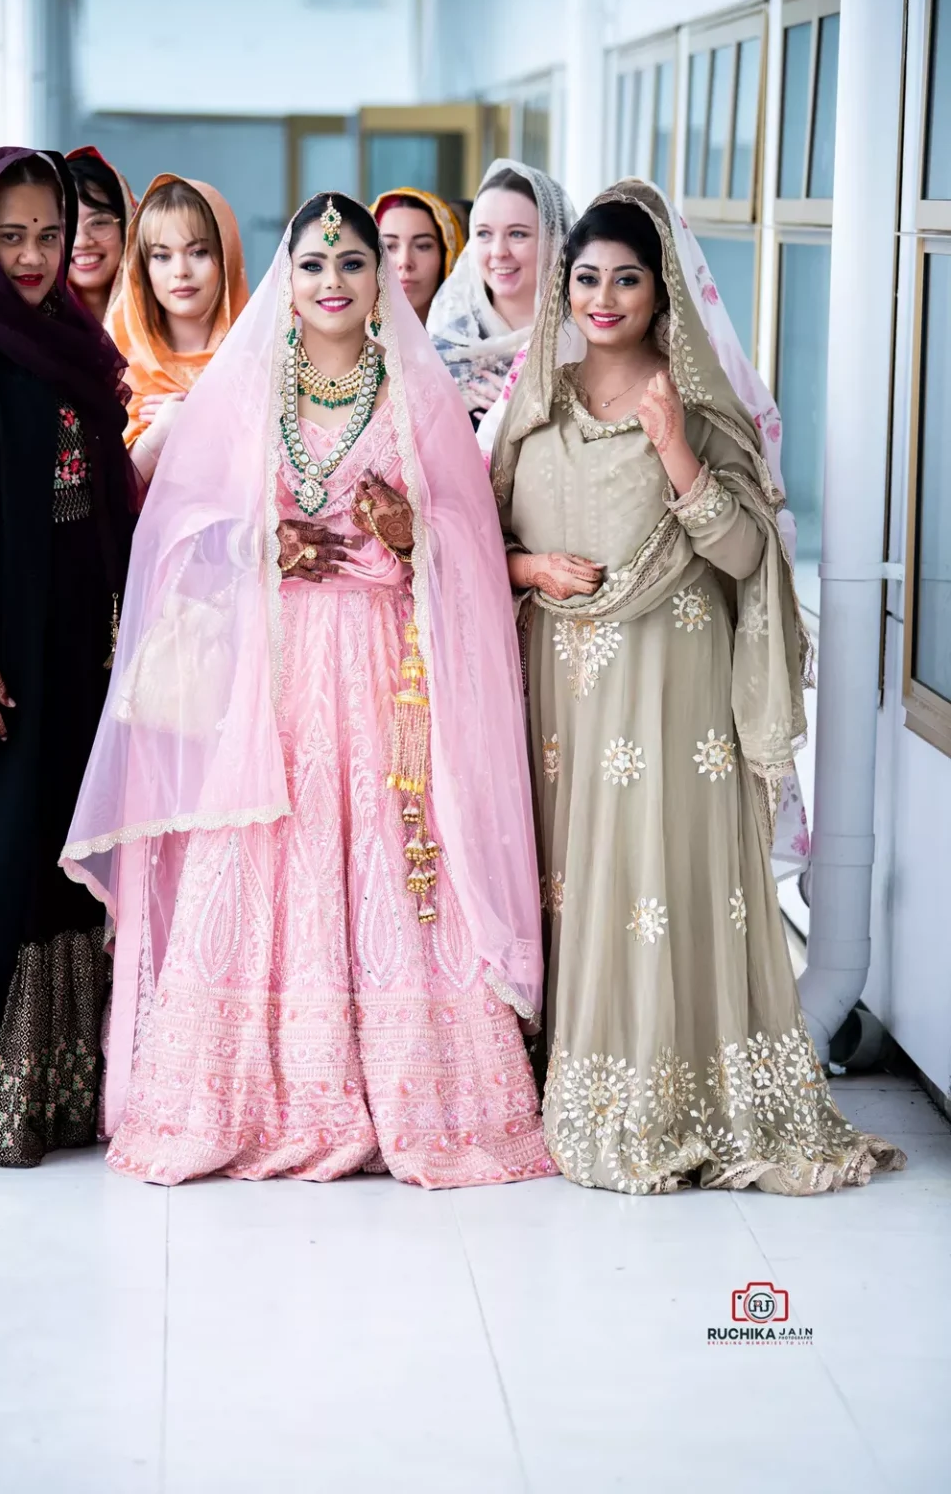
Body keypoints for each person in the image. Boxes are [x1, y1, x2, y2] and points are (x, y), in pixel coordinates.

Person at [62, 192, 552, 1189]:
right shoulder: (247, 392)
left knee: (382, 860)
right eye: (314, 265)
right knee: (264, 861)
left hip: (384, 676)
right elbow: (172, 537)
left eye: (353, 265)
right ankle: (246, 1096)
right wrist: (263, 540)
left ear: (382, 282)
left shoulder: (414, 396)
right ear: (288, 279)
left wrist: (412, 534)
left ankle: (413, 1093)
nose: (333, 283)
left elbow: (465, 542)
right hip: (270, 675)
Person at [491, 180, 906, 1195]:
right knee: (576, 876)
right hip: (563, 696)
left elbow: (742, 555)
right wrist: (533, 570)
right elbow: (476, 545)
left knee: (659, 880)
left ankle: (681, 1091)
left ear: (659, 290)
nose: (603, 297)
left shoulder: (699, 403)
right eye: (585, 277)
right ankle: (579, 1077)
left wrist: (674, 449)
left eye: (625, 278)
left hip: (674, 693)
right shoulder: (531, 407)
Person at [0, 149, 136, 1166]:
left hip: (62, 645)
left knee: (54, 854)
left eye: (48, 233)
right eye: (7, 235)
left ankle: (48, 1096)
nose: (33, 254)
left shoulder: (65, 335)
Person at [108, 173, 248, 484]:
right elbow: (104, 502)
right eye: (161, 256)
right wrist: (161, 433)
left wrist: (203, 419)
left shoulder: (267, 358)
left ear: (227, 255)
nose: (181, 272)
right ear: (141, 266)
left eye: (198, 252)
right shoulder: (112, 363)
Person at [427, 159, 575, 430]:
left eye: (517, 234)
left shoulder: (582, 338)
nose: (498, 251)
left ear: (555, 240)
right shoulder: (448, 345)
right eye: (484, 234)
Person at [369, 187, 463, 325]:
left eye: (423, 246)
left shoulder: (476, 342)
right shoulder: (338, 342)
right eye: (389, 246)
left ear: (447, 256)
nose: (405, 261)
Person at [66, 145, 137, 325]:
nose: (82, 241)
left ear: (128, 226)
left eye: (98, 223)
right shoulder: (25, 330)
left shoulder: (167, 319)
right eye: (64, 226)